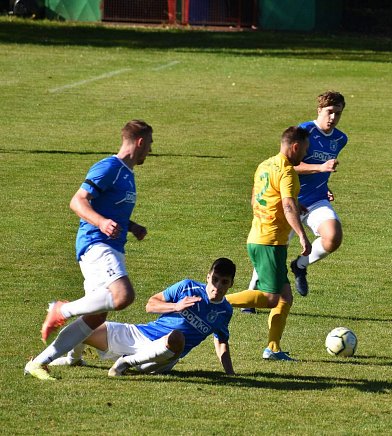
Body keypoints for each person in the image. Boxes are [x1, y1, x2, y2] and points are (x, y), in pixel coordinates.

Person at [25, 120, 154, 381]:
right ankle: (61, 309)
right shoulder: (109, 167)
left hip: (112, 246)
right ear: (140, 142)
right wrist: (101, 222)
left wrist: (132, 226)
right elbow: (78, 201)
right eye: (150, 144)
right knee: (123, 296)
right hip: (97, 244)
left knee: (95, 318)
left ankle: (39, 362)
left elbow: (111, 210)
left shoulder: (127, 174)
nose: (150, 150)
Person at [44, 258, 236, 378]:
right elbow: (150, 304)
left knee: (177, 337)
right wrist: (175, 306)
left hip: (164, 356)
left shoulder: (224, 311)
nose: (217, 286)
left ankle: (125, 363)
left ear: (231, 284)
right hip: (139, 334)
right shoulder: (187, 287)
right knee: (86, 323)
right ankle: (74, 359)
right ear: (208, 276)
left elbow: (221, 342)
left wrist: (230, 374)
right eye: (215, 279)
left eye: (224, 282)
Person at [243, 91, 347, 303]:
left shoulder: (340, 139)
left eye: (338, 113)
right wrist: (320, 168)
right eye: (329, 112)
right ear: (319, 110)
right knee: (272, 249)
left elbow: (324, 169)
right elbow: (286, 166)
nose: (333, 118)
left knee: (333, 236)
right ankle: (252, 293)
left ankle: (300, 266)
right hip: (289, 200)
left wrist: (324, 183)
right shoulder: (304, 131)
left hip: (316, 199)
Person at [226, 126, 311, 361]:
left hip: (259, 236)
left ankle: (272, 349)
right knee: (272, 298)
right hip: (270, 242)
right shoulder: (287, 171)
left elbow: (256, 197)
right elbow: (287, 206)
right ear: (294, 147)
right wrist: (303, 236)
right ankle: (214, 300)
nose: (304, 155)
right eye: (304, 150)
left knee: (285, 298)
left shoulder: (265, 164)